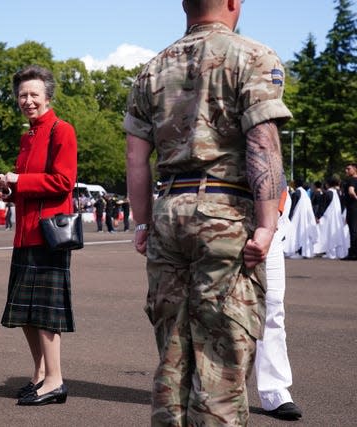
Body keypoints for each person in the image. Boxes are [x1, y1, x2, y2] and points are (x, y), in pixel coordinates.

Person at [124, 1, 291, 424]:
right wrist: (268, 224)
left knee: (172, 358)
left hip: (168, 210)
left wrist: (142, 221)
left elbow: (135, 158)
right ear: (234, 3)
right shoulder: (254, 56)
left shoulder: (152, 68)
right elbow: (262, 144)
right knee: (221, 361)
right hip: (226, 212)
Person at [0, 65, 77, 406]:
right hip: (25, 235)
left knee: (45, 315)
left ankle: (55, 381)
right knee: (25, 313)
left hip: (49, 235)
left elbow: (63, 181)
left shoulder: (61, 130)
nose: (28, 100)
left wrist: (17, 180)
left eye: (34, 94)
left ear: (48, 96)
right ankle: (40, 375)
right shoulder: (29, 136)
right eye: (23, 95)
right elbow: (28, 185)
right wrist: (6, 188)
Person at [255, 192, 303, 420]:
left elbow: (274, 171)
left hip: (270, 210)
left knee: (272, 304)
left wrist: (273, 215)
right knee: (212, 305)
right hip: (218, 214)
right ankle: (207, 386)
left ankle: (274, 391)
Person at [315, 176, 349, 259]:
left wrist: (318, 216)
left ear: (327, 184)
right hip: (337, 217)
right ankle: (337, 252)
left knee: (328, 233)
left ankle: (330, 252)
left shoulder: (327, 193)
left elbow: (322, 206)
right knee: (336, 234)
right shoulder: (337, 192)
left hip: (328, 217)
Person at [283, 179, 318, 259]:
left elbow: (292, 206)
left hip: (298, 216)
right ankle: (302, 251)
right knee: (302, 233)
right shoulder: (304, 192)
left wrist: (289, 216)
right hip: (304, 216)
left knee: (296, 233)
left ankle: (297, 250)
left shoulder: (297, 192)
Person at [342, 162, 357, 260]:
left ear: (355, 169)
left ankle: (353, 254)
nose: (346, 170)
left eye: (348, 169)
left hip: (353, 208)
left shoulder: (351, 180)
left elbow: (351, 191)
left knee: (353, 230)